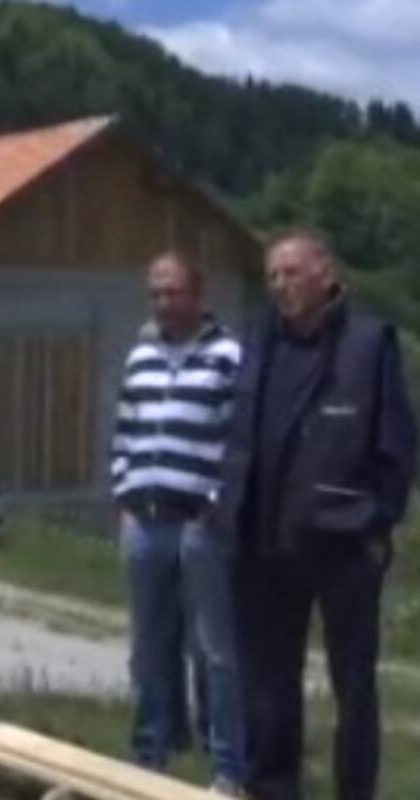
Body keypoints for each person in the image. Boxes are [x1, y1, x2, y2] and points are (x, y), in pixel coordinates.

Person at [215, 229, 416, 800]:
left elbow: (397, 446)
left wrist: (377, 523)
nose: (280, 285)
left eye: (292, 273)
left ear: (325, 273)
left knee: (352, 685)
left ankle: (355, 790)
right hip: (262, 539)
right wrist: (227, 508)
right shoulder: (260, 337)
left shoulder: (368, 343)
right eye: (273, 276)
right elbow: (240, 432)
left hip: (343, 544)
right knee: (267, 682)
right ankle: (272, 788)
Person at [111, 251, 245, 794]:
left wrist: (217, 498)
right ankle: (152, 749)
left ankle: (227, 766)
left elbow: (239, 440)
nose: (163, 302)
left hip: (200, 522)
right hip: (143, 518)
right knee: (148, 645)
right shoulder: (140, 356)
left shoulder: (228, 355)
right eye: (155, 293)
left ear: (198, 295)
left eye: (173, 292)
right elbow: (124, 430)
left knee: (213, 650)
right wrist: (122, 490)